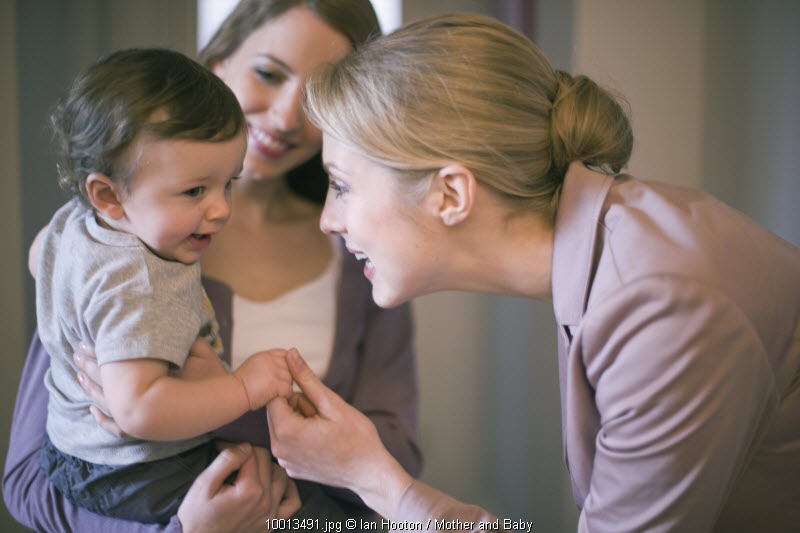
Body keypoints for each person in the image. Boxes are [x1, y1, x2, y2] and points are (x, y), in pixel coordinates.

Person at [265, 12, 800, 532]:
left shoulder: (661, 304)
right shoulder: (618, 260)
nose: (329, 221)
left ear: (451, 193)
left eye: (342, 185)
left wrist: (373, 478)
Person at [3, 1, 421, 531]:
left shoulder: (364, 254)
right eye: (268, 73)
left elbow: (396, 464)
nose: (289, 116)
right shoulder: (118, 242)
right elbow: (28, 484)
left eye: (318, 95)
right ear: (218, 62)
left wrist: (222, 419)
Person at [28, 46, 297, 524]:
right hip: (137, 468)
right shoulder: (145, 280)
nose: (220, 210)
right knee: (290, 508)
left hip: (69, 449)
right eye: (195, 191)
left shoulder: (74, 223)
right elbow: (139, 411)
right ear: (109, 195)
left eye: (227, 183)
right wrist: (243, 389)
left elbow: (38, 256)